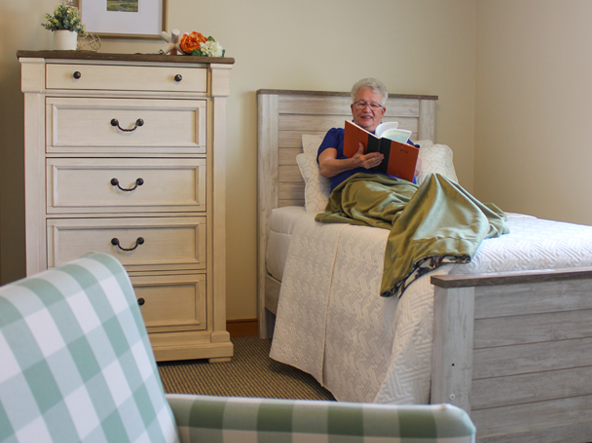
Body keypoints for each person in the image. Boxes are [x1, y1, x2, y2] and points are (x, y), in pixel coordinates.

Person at [317, 78, 418, 192]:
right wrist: (353, 163)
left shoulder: (396, 136)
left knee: (437, 183)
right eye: (361, 104)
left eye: (374, 105)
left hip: (398, 190)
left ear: (382, 112)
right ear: (352, 108)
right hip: (358, 188)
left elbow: (416, 169)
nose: (367, 109)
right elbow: (326, 168)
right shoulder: (337, 134)